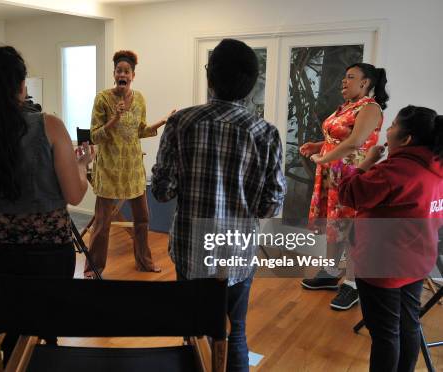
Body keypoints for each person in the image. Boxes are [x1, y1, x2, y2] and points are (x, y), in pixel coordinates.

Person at [152, 39, 286, 372]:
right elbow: (270, 205)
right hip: (238, 252)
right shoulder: (265, 132)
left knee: (193, 333)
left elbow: (162, 191)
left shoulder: (181, 123)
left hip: (191, 250)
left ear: (210, 76)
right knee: (235, 333)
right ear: (251, 83)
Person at [0, 46, 93, 364]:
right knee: (46, 328)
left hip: (2, 248)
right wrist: (84, 165)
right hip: (49, 249)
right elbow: (74, 195)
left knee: (11, 330)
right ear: (21, 85)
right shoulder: (49, 125)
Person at [338, 105, 443, 371]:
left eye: (393, 125)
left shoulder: (393, 171)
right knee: (408, 325)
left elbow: (348, 193)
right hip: (417, 262)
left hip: (382, 265)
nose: (388, 129)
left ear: (406, 139)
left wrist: (367, 161)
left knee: (385, 334)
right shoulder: (437, 167)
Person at [299, 63, 389, 310]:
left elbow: (357, 142)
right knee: (333, 223)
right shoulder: (346, 108)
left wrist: (325, 158)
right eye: (344, 77)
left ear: (366, 83)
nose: (344, 81)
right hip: (331, 174)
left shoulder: (370, 108)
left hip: (351, 175)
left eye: (351, 77)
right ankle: (330, 272)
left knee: (350, 227)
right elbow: (338, 138)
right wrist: (319, 146)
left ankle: (352, 284)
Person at [84, 50, 175, 278]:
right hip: (108, 170)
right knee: (102, 223)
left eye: (126, 71)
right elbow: (94, 136)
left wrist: (163, 121)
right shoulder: (103, 99)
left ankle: (144, 263)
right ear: (114, 74)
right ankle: (94, 269)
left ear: (133, 75)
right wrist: (114, 118)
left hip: (133, 169)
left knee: (143, 218)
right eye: (118, 70)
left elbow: (140, 130)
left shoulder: (140, 98)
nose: (122, 74)